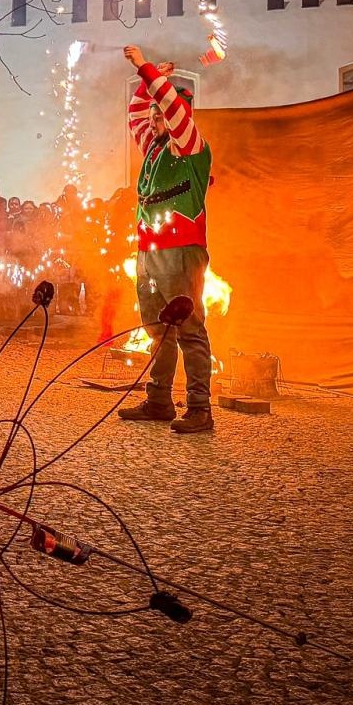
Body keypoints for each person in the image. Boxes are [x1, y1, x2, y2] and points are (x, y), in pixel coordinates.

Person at [116, 47, 216, 435]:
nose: (156, 120)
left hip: (182, 252)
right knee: (157, 327)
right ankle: (159, 401)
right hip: (150, 250)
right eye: (155, 115)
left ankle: (199, 408)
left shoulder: (191, 144)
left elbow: (172, 109)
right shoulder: (154, 147)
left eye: (163, 114)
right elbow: (135, 115)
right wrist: (150, 81)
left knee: (190, 328)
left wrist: (144, 69)